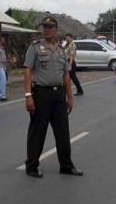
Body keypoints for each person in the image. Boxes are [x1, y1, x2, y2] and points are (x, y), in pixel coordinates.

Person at [23, 16, 83, 178]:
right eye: (45, 27)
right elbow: (27, 71)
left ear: (57, 30)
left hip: (59, 95)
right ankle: (32, 166)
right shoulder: (35, 48)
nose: (46, 30)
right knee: (38, 131)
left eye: (50, 27)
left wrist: (69, 98)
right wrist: (28, 95)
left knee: (63, 131)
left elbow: (65, 76)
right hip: (41, 94)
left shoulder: (61, 51)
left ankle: (66, 165)